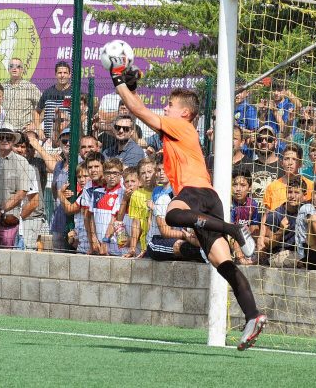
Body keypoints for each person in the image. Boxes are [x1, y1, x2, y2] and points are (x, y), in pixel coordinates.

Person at [107, 61, 265, 350]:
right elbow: (140, 109)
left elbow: (140, 112)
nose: (165, 109)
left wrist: (116, 80)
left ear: (185, 112)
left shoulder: (181, 125)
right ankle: (253, 315)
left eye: (169, 104)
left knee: (173, 214)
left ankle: (234, 229)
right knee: (225, 265)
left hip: (194, 192)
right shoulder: (178, 130)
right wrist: (131, 87)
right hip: (210, 200)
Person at [146, 155, 206, 262]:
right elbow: (165, 232)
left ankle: (205, 253)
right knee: (180, 245)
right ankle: (203, 254)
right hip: (157, 241)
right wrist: (186, 235)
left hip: (183, 239)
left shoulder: (195, 202)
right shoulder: (163, 200)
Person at [263, 177, 307, 268]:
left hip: (299, 252)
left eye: (297, 192)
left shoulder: (307, 211)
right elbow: (267, 244)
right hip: (278, 255)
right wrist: (281, 230)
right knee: (305, 262)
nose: (292, 196)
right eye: (290, 192)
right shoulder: (275, 215)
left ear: (304, 195)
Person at [12, 133, 44, 250]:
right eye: (17, 146)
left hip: (30, 217)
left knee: (26, 253)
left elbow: (34, 202)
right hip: (9, 220)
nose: (20, 149)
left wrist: (36, 145)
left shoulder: (36, 164)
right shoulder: (3, 165)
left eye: (23, 146)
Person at [57, 162, 91, 254]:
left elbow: (70, 210)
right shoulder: (81, 193)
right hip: (81, 243)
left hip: (90, 245)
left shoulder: (90, 193)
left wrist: (60, 194)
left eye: (85, 176)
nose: (82, 180)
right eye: (79, 177)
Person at [125, 157, 156, 257]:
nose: (147, 176)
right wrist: (132, 248)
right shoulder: (136, 195)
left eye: (149, 172)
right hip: (145, 246)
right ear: (139, 177)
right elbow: (136, 223)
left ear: (155, 172)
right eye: (143, 173)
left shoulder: (163, 190)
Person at [241, 125, 282, 200]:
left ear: (275, 142)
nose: (264, 142)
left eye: (268, 139)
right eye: (260, 139)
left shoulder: (283, 168)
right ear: (256, 142)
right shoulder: (248, 168)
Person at [229, 169, 261, 265]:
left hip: (246, 239)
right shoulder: (228, 203)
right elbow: (230, 231)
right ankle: (239, 257)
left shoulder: (253, 204)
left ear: (250, 187)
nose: (238, 189)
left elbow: (254, 228)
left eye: (242, 185)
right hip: (230, 240)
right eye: (235, 185)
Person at [36, 61, 72, 141]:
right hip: (48, 139)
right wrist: (39, 130)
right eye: (59, 73)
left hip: (67, 138)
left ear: (69, 75)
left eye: (65, 73)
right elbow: (36, 112)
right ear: (55, 75)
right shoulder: (48, 92)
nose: (62, 75)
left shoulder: (74, 92)